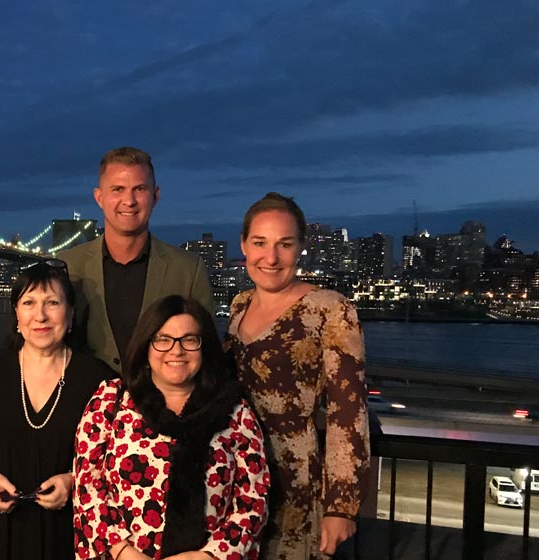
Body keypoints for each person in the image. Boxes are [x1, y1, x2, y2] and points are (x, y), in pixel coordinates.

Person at [224, 192, 370, 559]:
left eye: (284, 245)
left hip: (292, 478)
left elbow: (347, 412)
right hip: (232, 474)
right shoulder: (240, 305)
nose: (270, 258)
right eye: (259, 243)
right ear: (243, 244)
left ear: (300, 248)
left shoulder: (331, 309)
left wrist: (341, 506)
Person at [74, 295, 269, 560]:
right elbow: (88, 487)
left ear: (204, 347)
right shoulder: (111, 401)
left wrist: (204, 557)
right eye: (163, 339)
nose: (176, 351)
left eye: (189, 340)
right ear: (146, 346)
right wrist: (124, 553)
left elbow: (253, 499)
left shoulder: (235, 410)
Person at [0, 260, 113, 559]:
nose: (40, 315)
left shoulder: (98, 379)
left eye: (52, 302)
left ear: (72, 313)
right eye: (29, 303)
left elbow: (114, 461)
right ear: (16, 314)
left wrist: (73, 481)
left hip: (68, 533)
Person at [59, 146, 214, 374]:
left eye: (139, 189)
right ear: (99, 198)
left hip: (162, 406)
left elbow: (208, 352)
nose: (129, 200)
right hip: (84, 405)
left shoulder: (188, 270)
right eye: (117, 189)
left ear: (155, 196)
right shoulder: (67, 266)